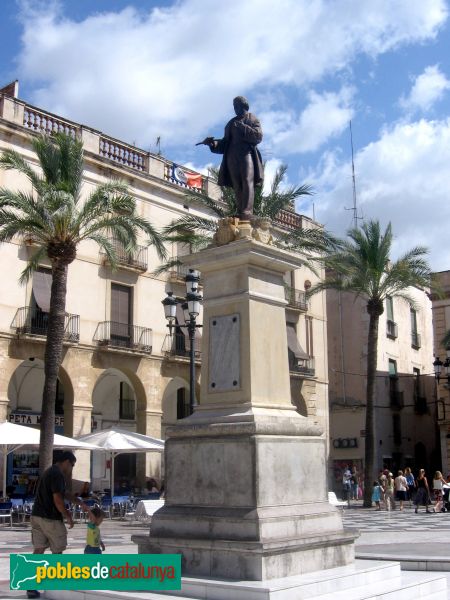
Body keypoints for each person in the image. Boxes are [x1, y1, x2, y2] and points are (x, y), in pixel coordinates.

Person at [28, 451, 82, 599]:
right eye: (72, 465)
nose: (71, 468)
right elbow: (58, 499)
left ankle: (30, 586)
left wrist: (79, 503)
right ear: (66, 462)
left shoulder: (50, 472)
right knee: (57, 550)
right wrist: (68, 516)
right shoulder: (57, 474)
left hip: (37, 516)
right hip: (50, 518)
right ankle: (56, 586)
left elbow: (63, 494)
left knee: (38, 551)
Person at [200, 96, 263, 220]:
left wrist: (242, 127)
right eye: (234, 106)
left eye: (237, 106)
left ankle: (247, 211)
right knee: (237, 184)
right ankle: (240, 211)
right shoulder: (230, 123)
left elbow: (258, 136)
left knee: (247, 180)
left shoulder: (252, 118)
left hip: (246, 154)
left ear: (244, 106)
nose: (235, 109)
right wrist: (212, 144)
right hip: (231, 156)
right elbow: (224, 143)